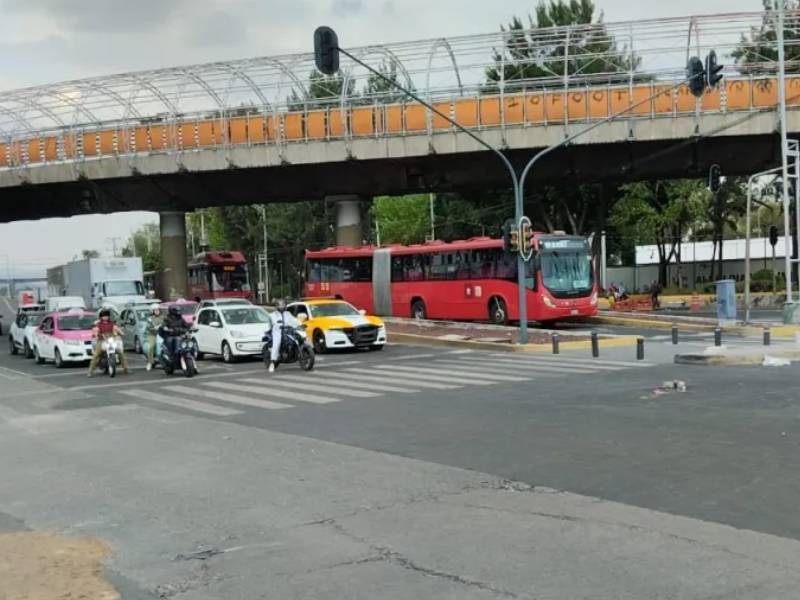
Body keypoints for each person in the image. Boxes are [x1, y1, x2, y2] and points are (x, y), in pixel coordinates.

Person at [88, 308, 129, 377]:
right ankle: (90, 371)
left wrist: (121, 333)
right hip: (101, 340)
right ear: (101, 316)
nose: (105, 317)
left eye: (107, 316)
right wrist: (96, 334)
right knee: (96, 355)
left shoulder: (112, 323)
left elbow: (117, 328)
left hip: (111, 340)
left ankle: (126, 369)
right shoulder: (98, 324)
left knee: (120, 352)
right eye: (104, 316)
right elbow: (95, 331)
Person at [268, 298, 299, 373]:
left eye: (283, 304)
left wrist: (300, 324)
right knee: (276, 343)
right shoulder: (272, 315)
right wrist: (278, 325)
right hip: (277, 331)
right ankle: (272, 363)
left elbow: (294, 321)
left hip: (288, 331)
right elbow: (273, 323)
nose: (282, 306)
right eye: (280, 304)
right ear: (276, 306)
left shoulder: (288, 313)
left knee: (297, 338)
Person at [145, 306, 164, 371]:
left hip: (162, 334)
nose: (157, 311)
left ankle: (165, 361)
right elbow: (148, 327)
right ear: (153, 311)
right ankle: (150, 362)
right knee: (151, 346)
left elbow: (165, 324)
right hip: (152, 335)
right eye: (155, 310)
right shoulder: (150, 318)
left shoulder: (163, 317)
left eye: (158, 310)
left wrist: (161, 326)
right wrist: (152, 328)